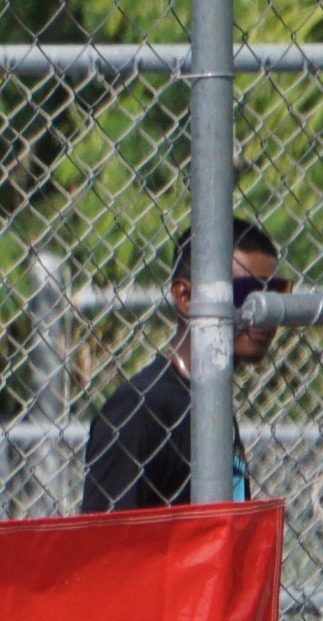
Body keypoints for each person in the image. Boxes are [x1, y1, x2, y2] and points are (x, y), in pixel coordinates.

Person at [82, 218, 288, 512]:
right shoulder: (140, 411)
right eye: (247, 294)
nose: (263, 312)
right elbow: (103, 551)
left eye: (276, 295)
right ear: (186, 297)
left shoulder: (208, 401)